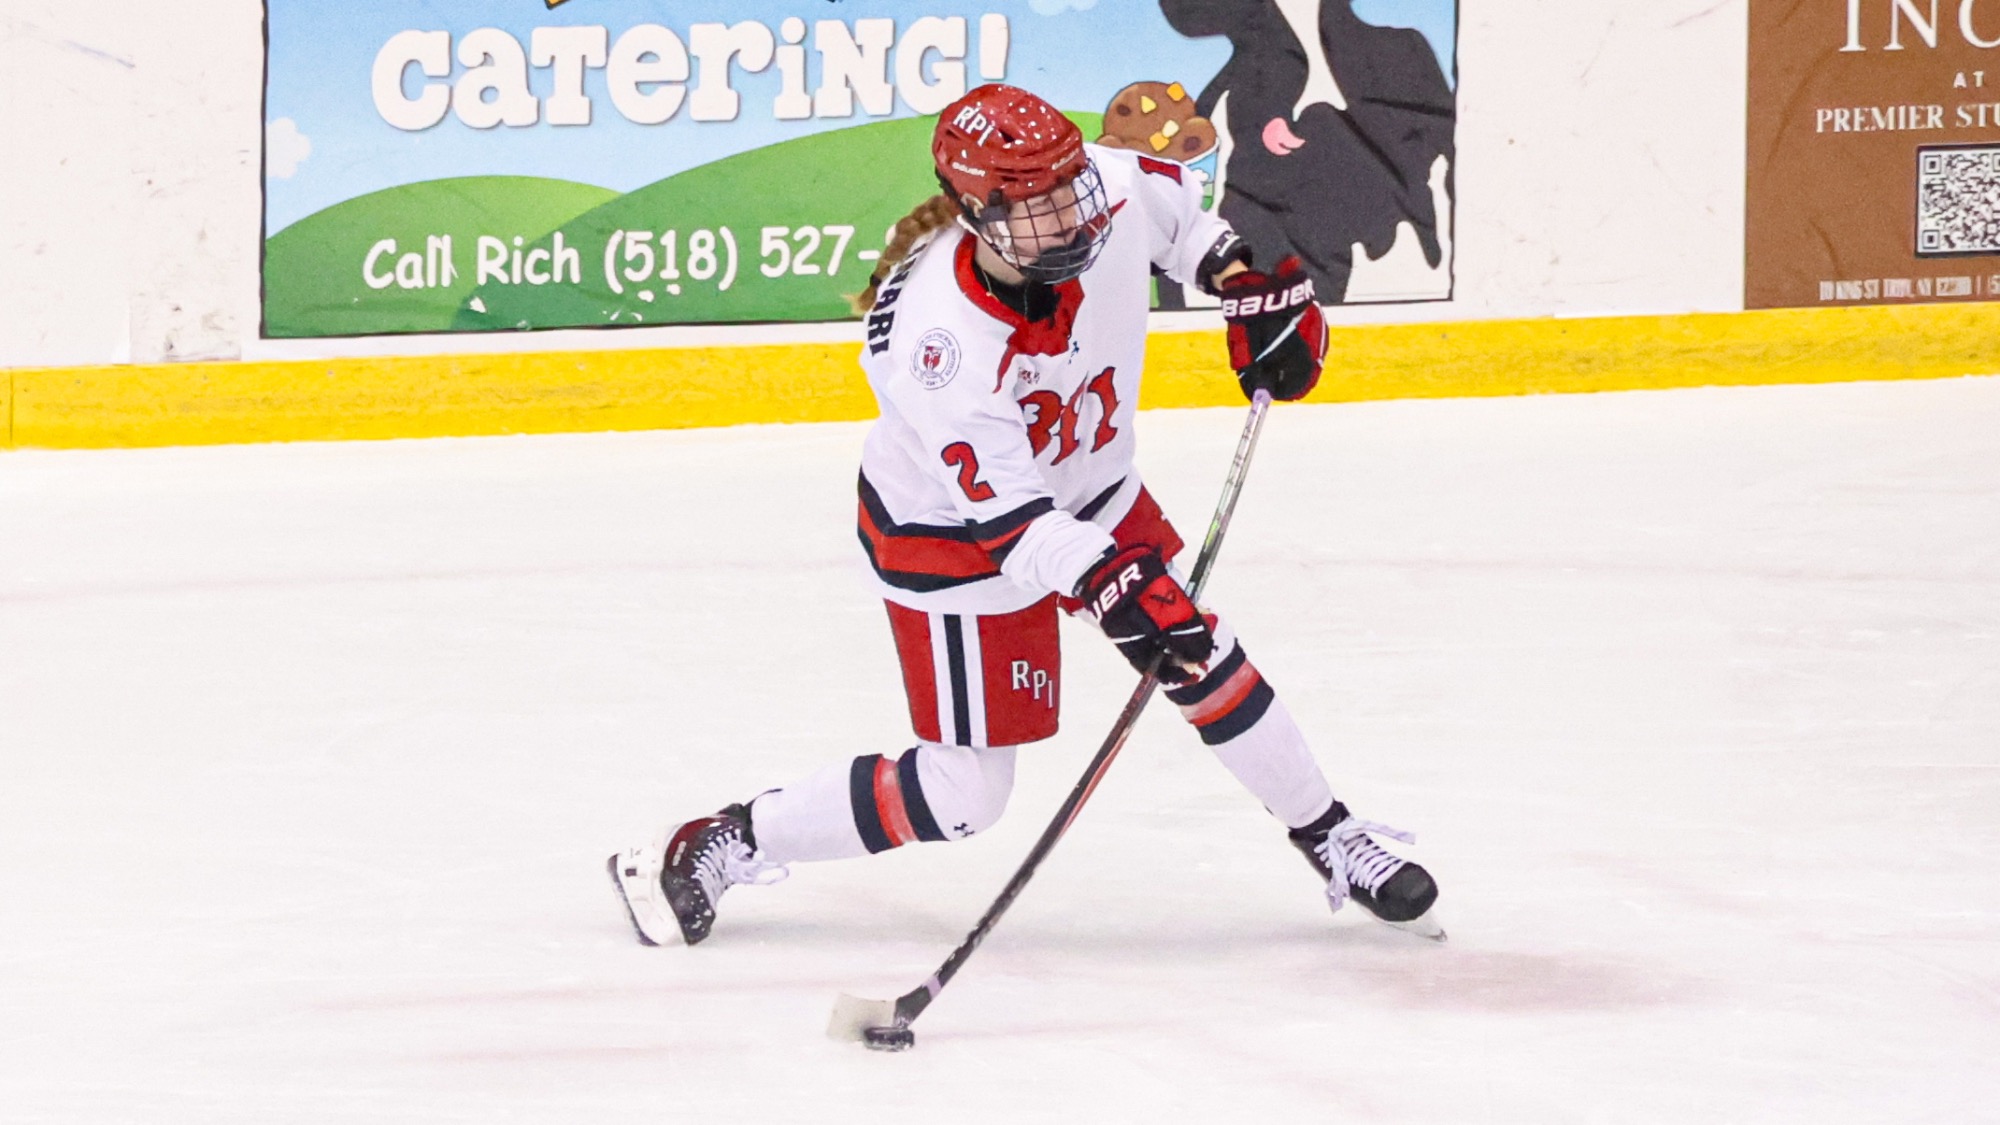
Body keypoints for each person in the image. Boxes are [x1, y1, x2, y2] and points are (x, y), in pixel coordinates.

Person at [609, 83, 1441, 947]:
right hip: (953, 535)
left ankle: (1330, 834)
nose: (1072, 218)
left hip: (1092, 485)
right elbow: (1014, 527)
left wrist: (1246, 288)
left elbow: (1189, 229)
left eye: (1070, 188)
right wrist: (1109, 579)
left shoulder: (1108, 188)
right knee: (966, 795)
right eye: (1039, 207)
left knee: (1198, 648)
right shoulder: (940, 346)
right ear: (978, 213)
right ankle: (730, 837)